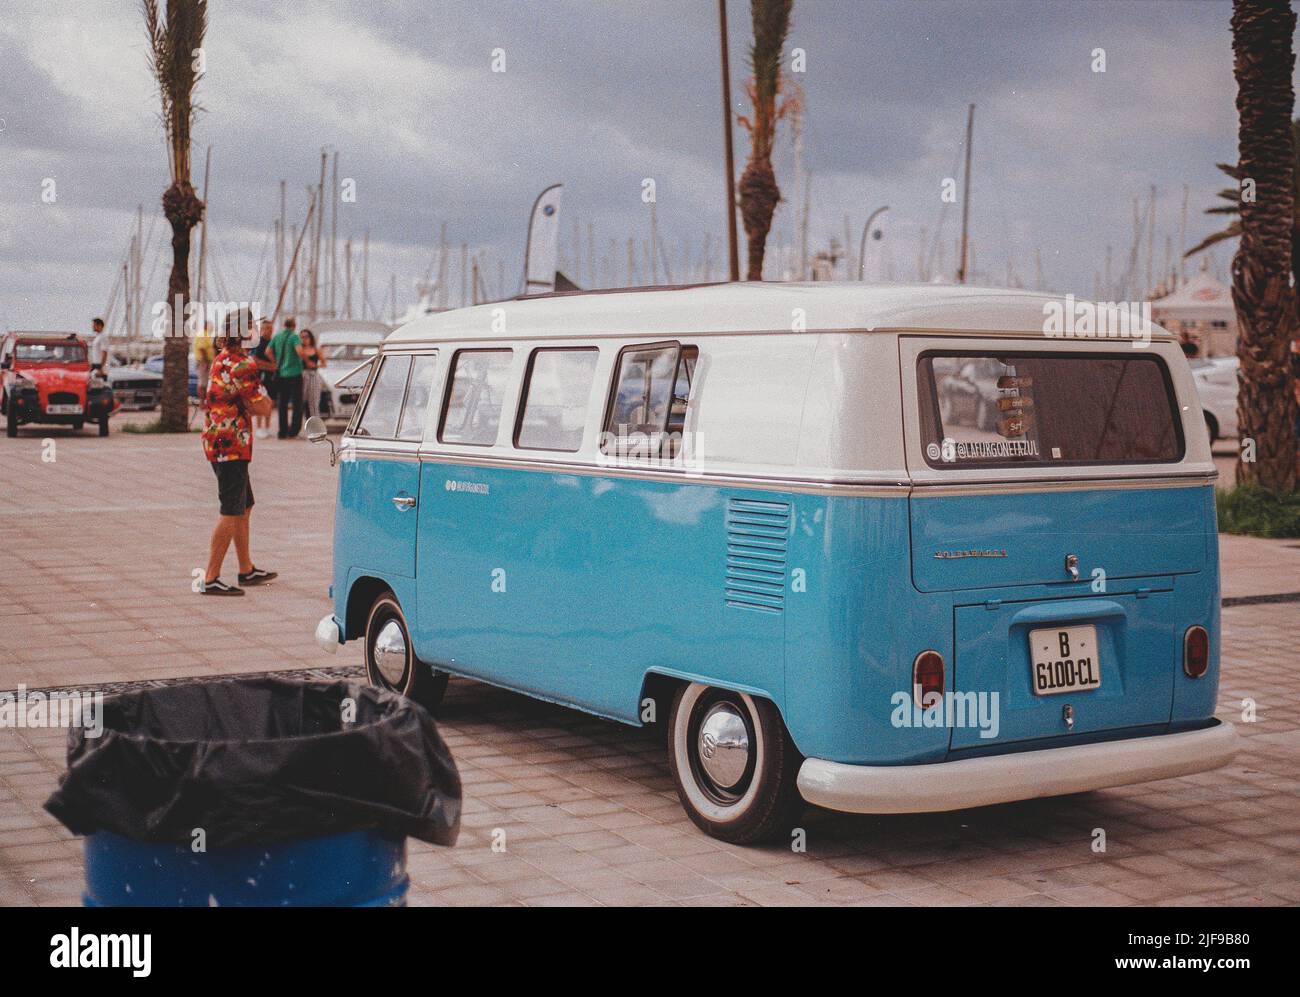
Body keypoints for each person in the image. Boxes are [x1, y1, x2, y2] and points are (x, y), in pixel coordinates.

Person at [200, 308, 277, 596]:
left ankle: (246, 569)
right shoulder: (244, 364)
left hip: (216, 440)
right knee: (231, 509)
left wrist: (247, 403)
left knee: (244, 505)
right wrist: (258, 402)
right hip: (232, 444)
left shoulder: (221, 359)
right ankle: (211, 577)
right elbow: (262, 407)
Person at [269, 315, 305, 438]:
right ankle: (293, 430)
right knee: (297, 403)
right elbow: (300, 351)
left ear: (284, 325)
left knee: (282, 403)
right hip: (295, 373)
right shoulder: (295, 336)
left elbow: (267, 351)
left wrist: (275, 363)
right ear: (294, 325)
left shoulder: (277, 336)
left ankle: (282, 431)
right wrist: (306, 360)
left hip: (281, 374)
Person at [250, 318, 277, 439]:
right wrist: (271, 366)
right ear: (262, 329)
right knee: (260, 401)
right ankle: (259, 428)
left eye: (271, 329)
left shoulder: (272, 342)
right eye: (266, 328)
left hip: (271, 378)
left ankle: (267, 427)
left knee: (269, 402)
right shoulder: (258, 343)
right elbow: (254, 360)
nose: (269, 331)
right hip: (260, 376)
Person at [300, 328, 326, 421]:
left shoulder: (315, 349)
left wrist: (315, 365)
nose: (304, 339)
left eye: (306, 337)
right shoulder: (299, 349)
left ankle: (316, 422)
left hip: (313, 375)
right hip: (302, 375)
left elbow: (324, 363)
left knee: (314, 401)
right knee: (301, 400)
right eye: (302, 337)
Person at [193, 320, 216, 404]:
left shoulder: (207, 335)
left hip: (207, 362)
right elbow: (202, 348)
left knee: (206, 383)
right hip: (204, 362)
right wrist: (205, 362)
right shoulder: (203, 335)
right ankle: (202, 403)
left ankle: (205, 402)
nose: (213, 327)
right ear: (206, 326)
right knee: (203, 383)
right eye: (211, 325)